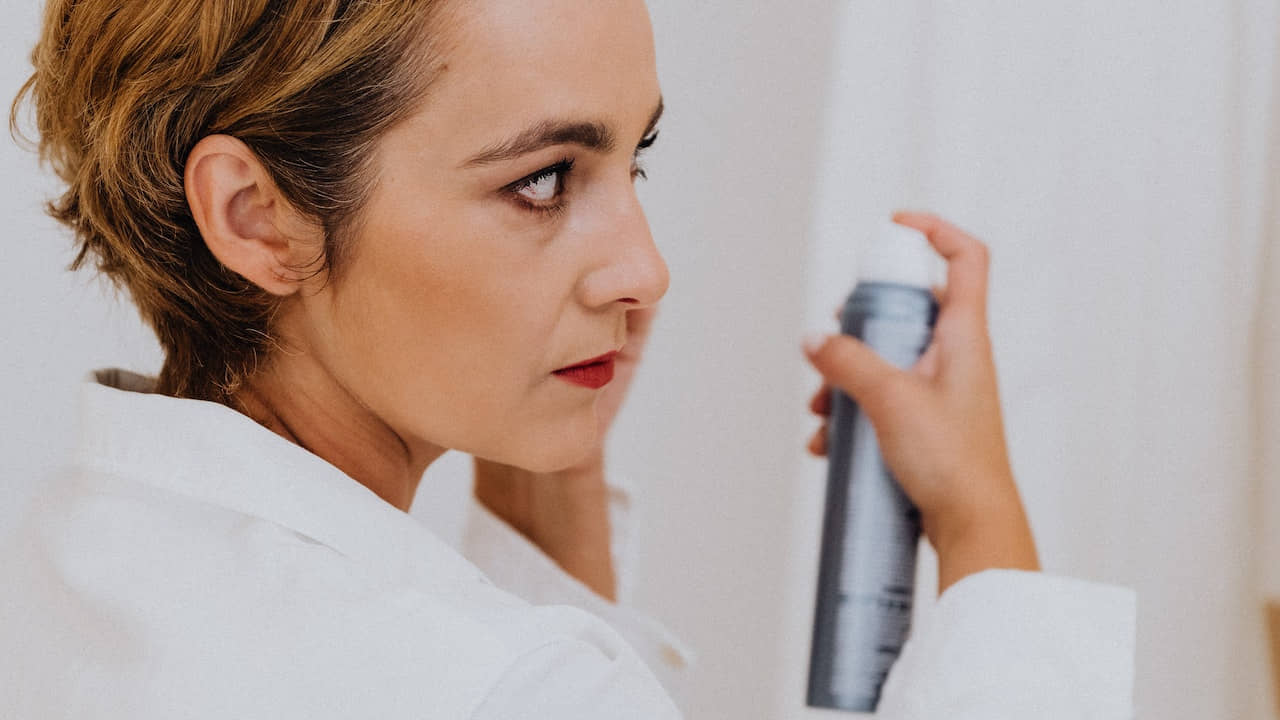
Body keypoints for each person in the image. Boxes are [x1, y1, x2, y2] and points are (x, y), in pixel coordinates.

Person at [0, 0, 1135, 718]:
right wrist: (985, 533)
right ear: (256, 216)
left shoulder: (68, 555)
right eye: (540, 180)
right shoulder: (490, 685)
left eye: (630, 160)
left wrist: (547, 477)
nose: (644, 269)